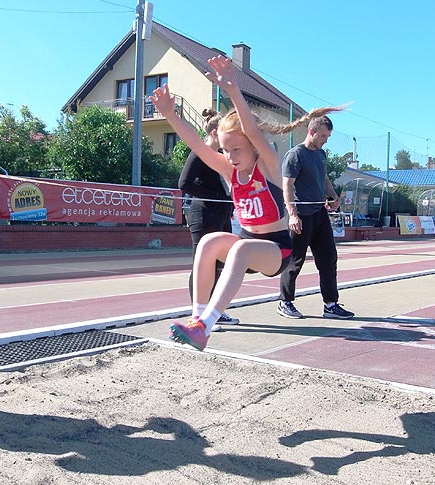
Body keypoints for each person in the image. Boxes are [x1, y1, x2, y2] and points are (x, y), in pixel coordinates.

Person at [150, 55, 298, 351]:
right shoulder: (230, 172)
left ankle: (207, 325)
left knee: (241, 247)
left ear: (254, 149)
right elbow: (196, 145)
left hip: (276, 249)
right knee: (208, 242)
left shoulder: (267, 165)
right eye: (226, 149)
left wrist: (232, 89)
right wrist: (170, 115)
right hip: (245, 242)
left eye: (236, 149)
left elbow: (253, 133)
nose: (230, 156)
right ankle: (196, 320)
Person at [277, 114, 355, 320]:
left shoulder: (321, 154)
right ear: (311, 132)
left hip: (320, 214)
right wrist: (292, 215)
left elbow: (324, 177)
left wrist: (333, 195)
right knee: (295, 260)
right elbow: (287, 185)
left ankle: (331, 304)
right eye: (322, 136)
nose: (325, 140)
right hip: (301, 215)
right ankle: (285, 302)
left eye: (327, 136)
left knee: (328, 258)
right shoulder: (295, 155)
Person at [178, 108, 239, 327]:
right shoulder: (199, 153)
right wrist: (215, 196)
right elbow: (183, 183)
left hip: (222, 214)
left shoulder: (222, 158)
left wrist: (229, 202)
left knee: (222, 263)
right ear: (215, 132)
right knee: (202, 264)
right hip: (202, 213)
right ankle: (198, 315)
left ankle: (214, 311)